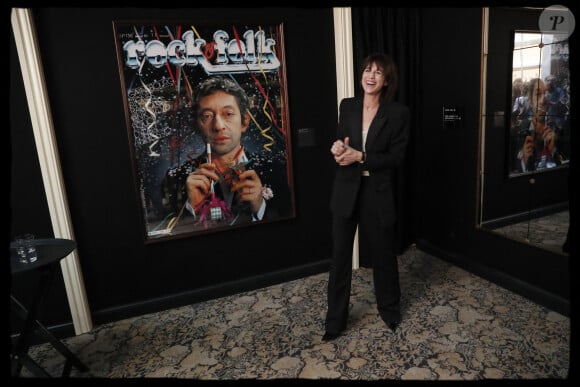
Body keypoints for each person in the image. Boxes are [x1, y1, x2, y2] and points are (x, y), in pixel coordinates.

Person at [323, 53, 410, 341]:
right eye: (367, 70)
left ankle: (390, 311)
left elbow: (397, 158)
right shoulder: (347, 106)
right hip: (346, 191)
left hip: (377, 193)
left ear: (386, 81)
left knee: (384, 256)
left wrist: (361, 156)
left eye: (378, 72)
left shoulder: (398, 113)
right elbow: (341, 141)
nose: (370, 76)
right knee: (339, 259)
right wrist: (338, 150)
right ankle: (334, 322)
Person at [161, 76, 291, 230]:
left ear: (244, 122)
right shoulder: (176, 178)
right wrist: (191, 208)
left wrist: (260, 207)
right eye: (207, 116)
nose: (218, 126)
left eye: (228, 114)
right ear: (196, 125)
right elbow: (166, 230)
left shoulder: (278, 170)